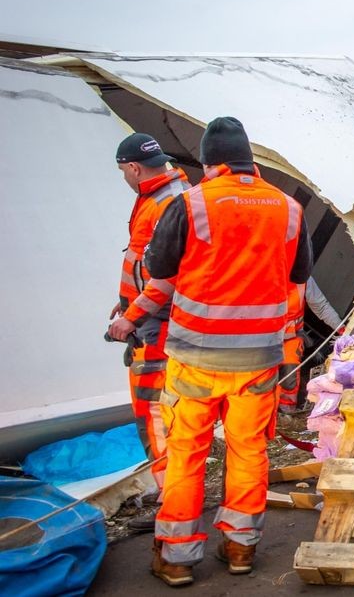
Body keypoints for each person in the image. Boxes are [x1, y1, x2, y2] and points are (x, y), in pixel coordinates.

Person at [143, 117, 311, 586]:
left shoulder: (190, 203)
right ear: (249, 161)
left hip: (195, 358)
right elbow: (298, 278)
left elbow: (159, 267)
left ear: (208, 162)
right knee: (248, 449)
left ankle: (176, 558)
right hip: (258, 359)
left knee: (187, 452)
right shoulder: (288, 208)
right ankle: (240, 548)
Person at [106, 133, 191, 532]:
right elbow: (142, 264)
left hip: (157, 326)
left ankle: (171, 499)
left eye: (123, 169)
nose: (124, 175)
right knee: (162, 411)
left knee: (154, 411)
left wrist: (133, 315)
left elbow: (166, 275)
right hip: (151, 318)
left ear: (133, 168)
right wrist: (125, 302)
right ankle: (171, 491)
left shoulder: (166, 202)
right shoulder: (165, 194)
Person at [278, 277, 343, 410]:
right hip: (258, 342)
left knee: (289, 380)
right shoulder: (257, 272)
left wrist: (342, 328)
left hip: (290, 339)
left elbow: (320, 306)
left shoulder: (302, 275)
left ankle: (286, 415)